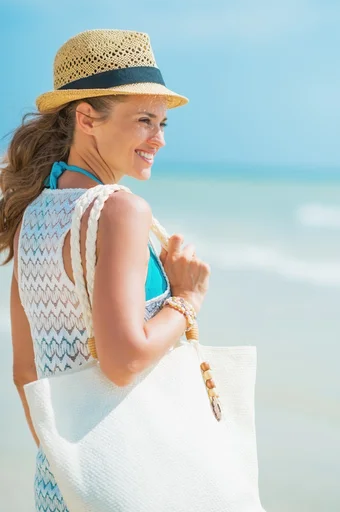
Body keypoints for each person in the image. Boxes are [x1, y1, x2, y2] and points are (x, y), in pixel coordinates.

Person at [0, 29, 211, 511]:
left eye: (161, 123)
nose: (157, 138)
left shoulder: (32, 214)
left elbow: (25, 371)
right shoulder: (121, 211)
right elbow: (124, 361)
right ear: (86, 118)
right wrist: (186, 299)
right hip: (131, 479)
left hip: (59, 484)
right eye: (143, 120)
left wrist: (67, 469)